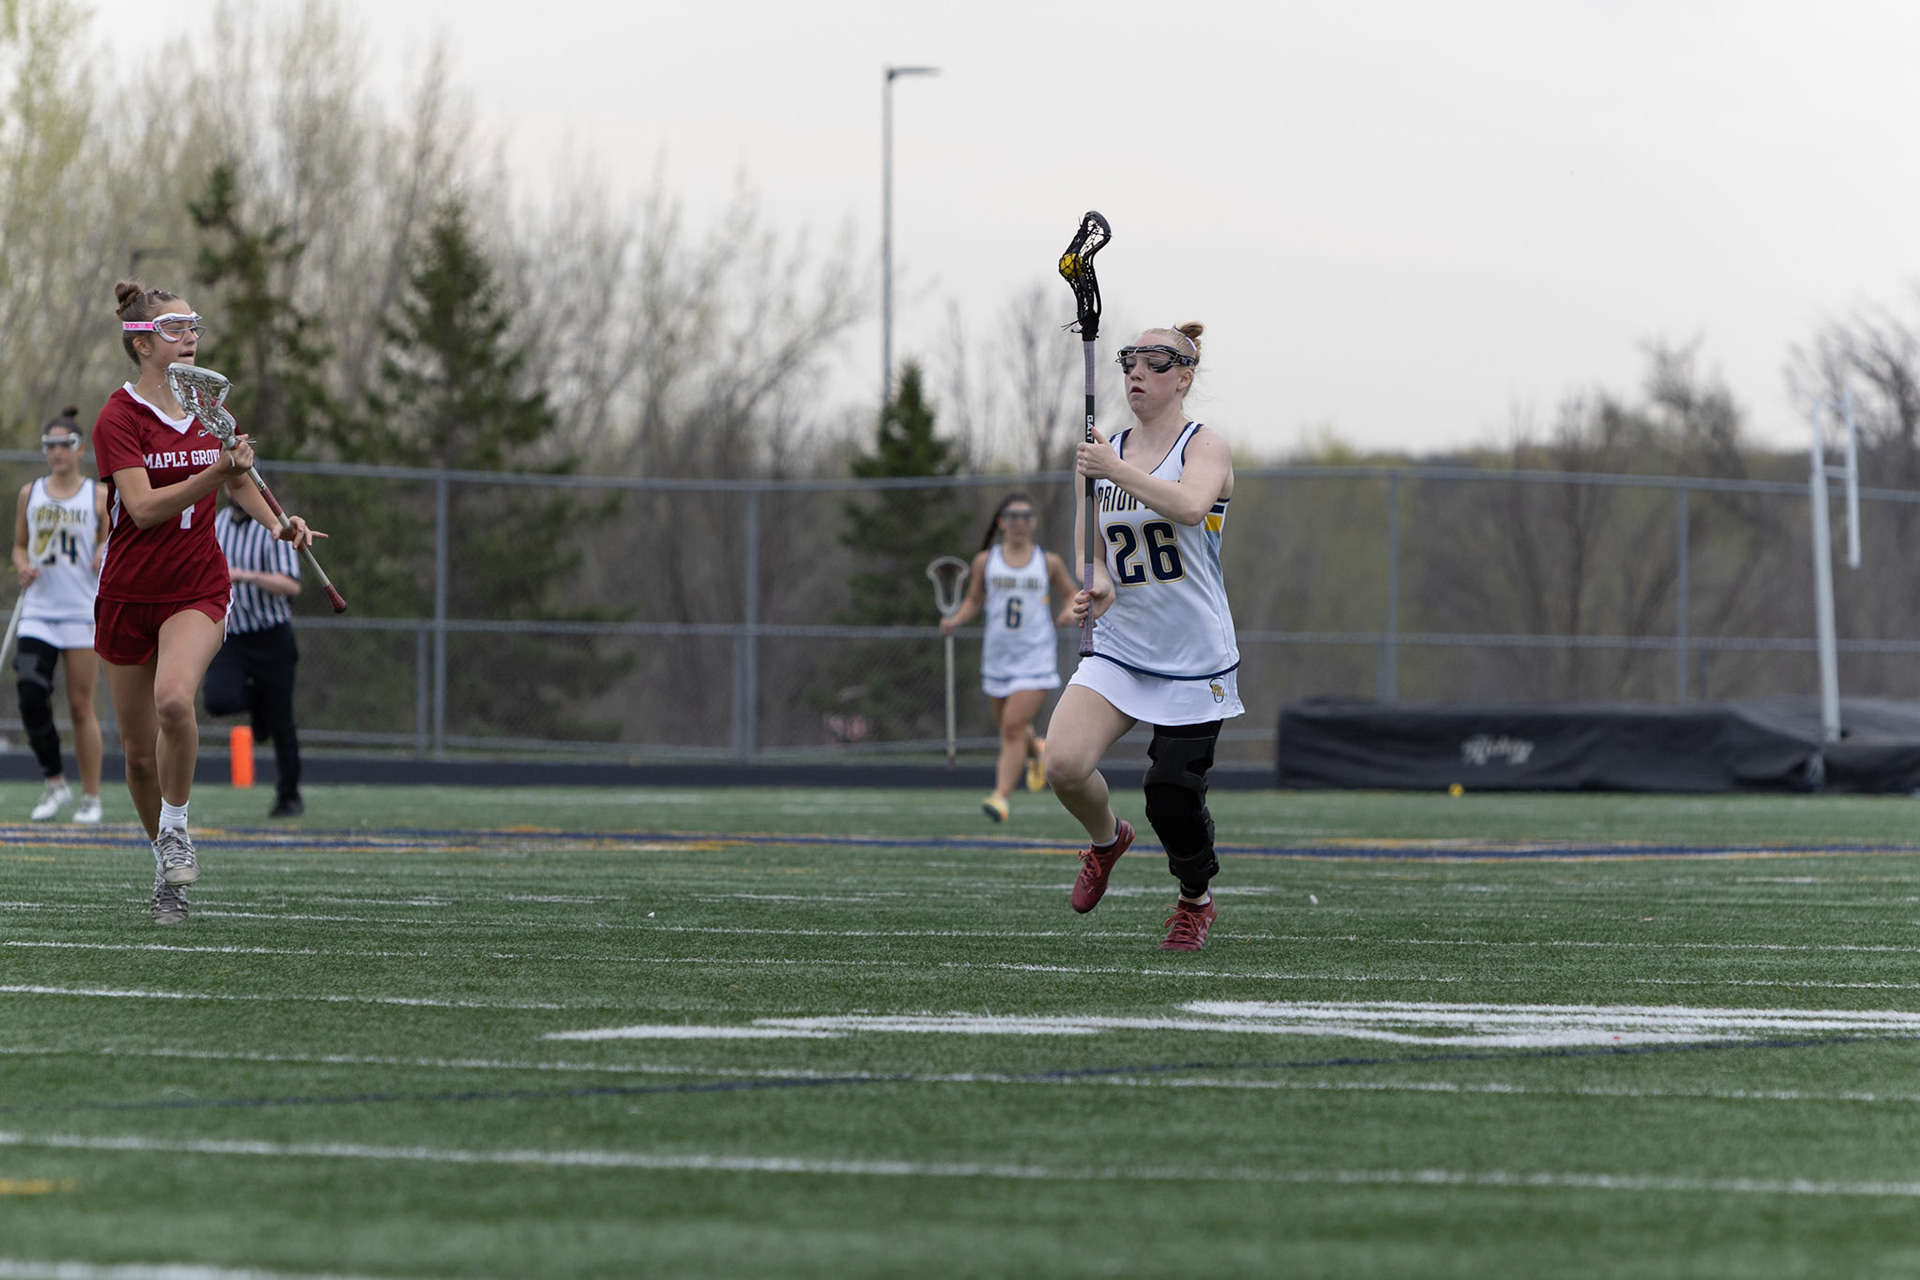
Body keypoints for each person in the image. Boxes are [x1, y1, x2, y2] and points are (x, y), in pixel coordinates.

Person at [95, 280, 323, 925]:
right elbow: (142, 509)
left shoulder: (209, 405)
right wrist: (215, 474)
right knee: (138, 757)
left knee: (175, 700)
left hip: (196, 588)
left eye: (194, 324)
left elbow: (242, 477)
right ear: (143, 344)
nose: (191, 336)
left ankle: (177, 827)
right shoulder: (118, 418)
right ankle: (165, 870)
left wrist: (278, 522)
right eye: (175, 327)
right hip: (126, 595)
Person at [1046, 323, 1242, 952]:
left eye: (1155, 363)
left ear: (1184, 377)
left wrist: (1111, 468)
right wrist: (1098, 582)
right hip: (1122, 647)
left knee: (1170, 796)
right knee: (1063, 765)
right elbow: (1092, 550)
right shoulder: (1103, 453)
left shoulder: (1203, 446)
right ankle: (1107, 841)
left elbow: (1189, 506)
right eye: (1129, 361)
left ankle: (1195, 899)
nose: (1136, 372)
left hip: (1193, 656)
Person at [940, 492, 1078, 822]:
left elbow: (1071, 594)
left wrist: (1068, 612)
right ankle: (1037, 750)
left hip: (1035, 657)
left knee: (1012, 727)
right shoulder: (986, 562)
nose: (1020, 522)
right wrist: (956, 620)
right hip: (998, 658)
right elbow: (974, 600)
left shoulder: (1047, 562)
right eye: (1013, 516)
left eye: (1026, 516)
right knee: (1010, 725)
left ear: (1034, 522)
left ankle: (1000, 797)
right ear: (1002, 522)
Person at [11, 406, 109, 823]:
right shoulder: (31, 493)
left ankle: (91, 797)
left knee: (80, 706)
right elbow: (19, 545)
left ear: (79, 448)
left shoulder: (97, 495)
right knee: (31, 694)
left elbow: (111, 539)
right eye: (49, 445)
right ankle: (55, 783)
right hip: (39, 611)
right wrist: (22, 566)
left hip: (80, 611)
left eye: (64, 444)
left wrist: (104, 549)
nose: (57, 452)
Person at [205, 502, 304, 818]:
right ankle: (258, 704)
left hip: (271, 636)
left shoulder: (275, 526)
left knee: (282, 720)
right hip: (232, 635)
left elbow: (291, 585)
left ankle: (289, 796)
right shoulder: (216, 524)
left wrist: (247, 576)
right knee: (217, 699)